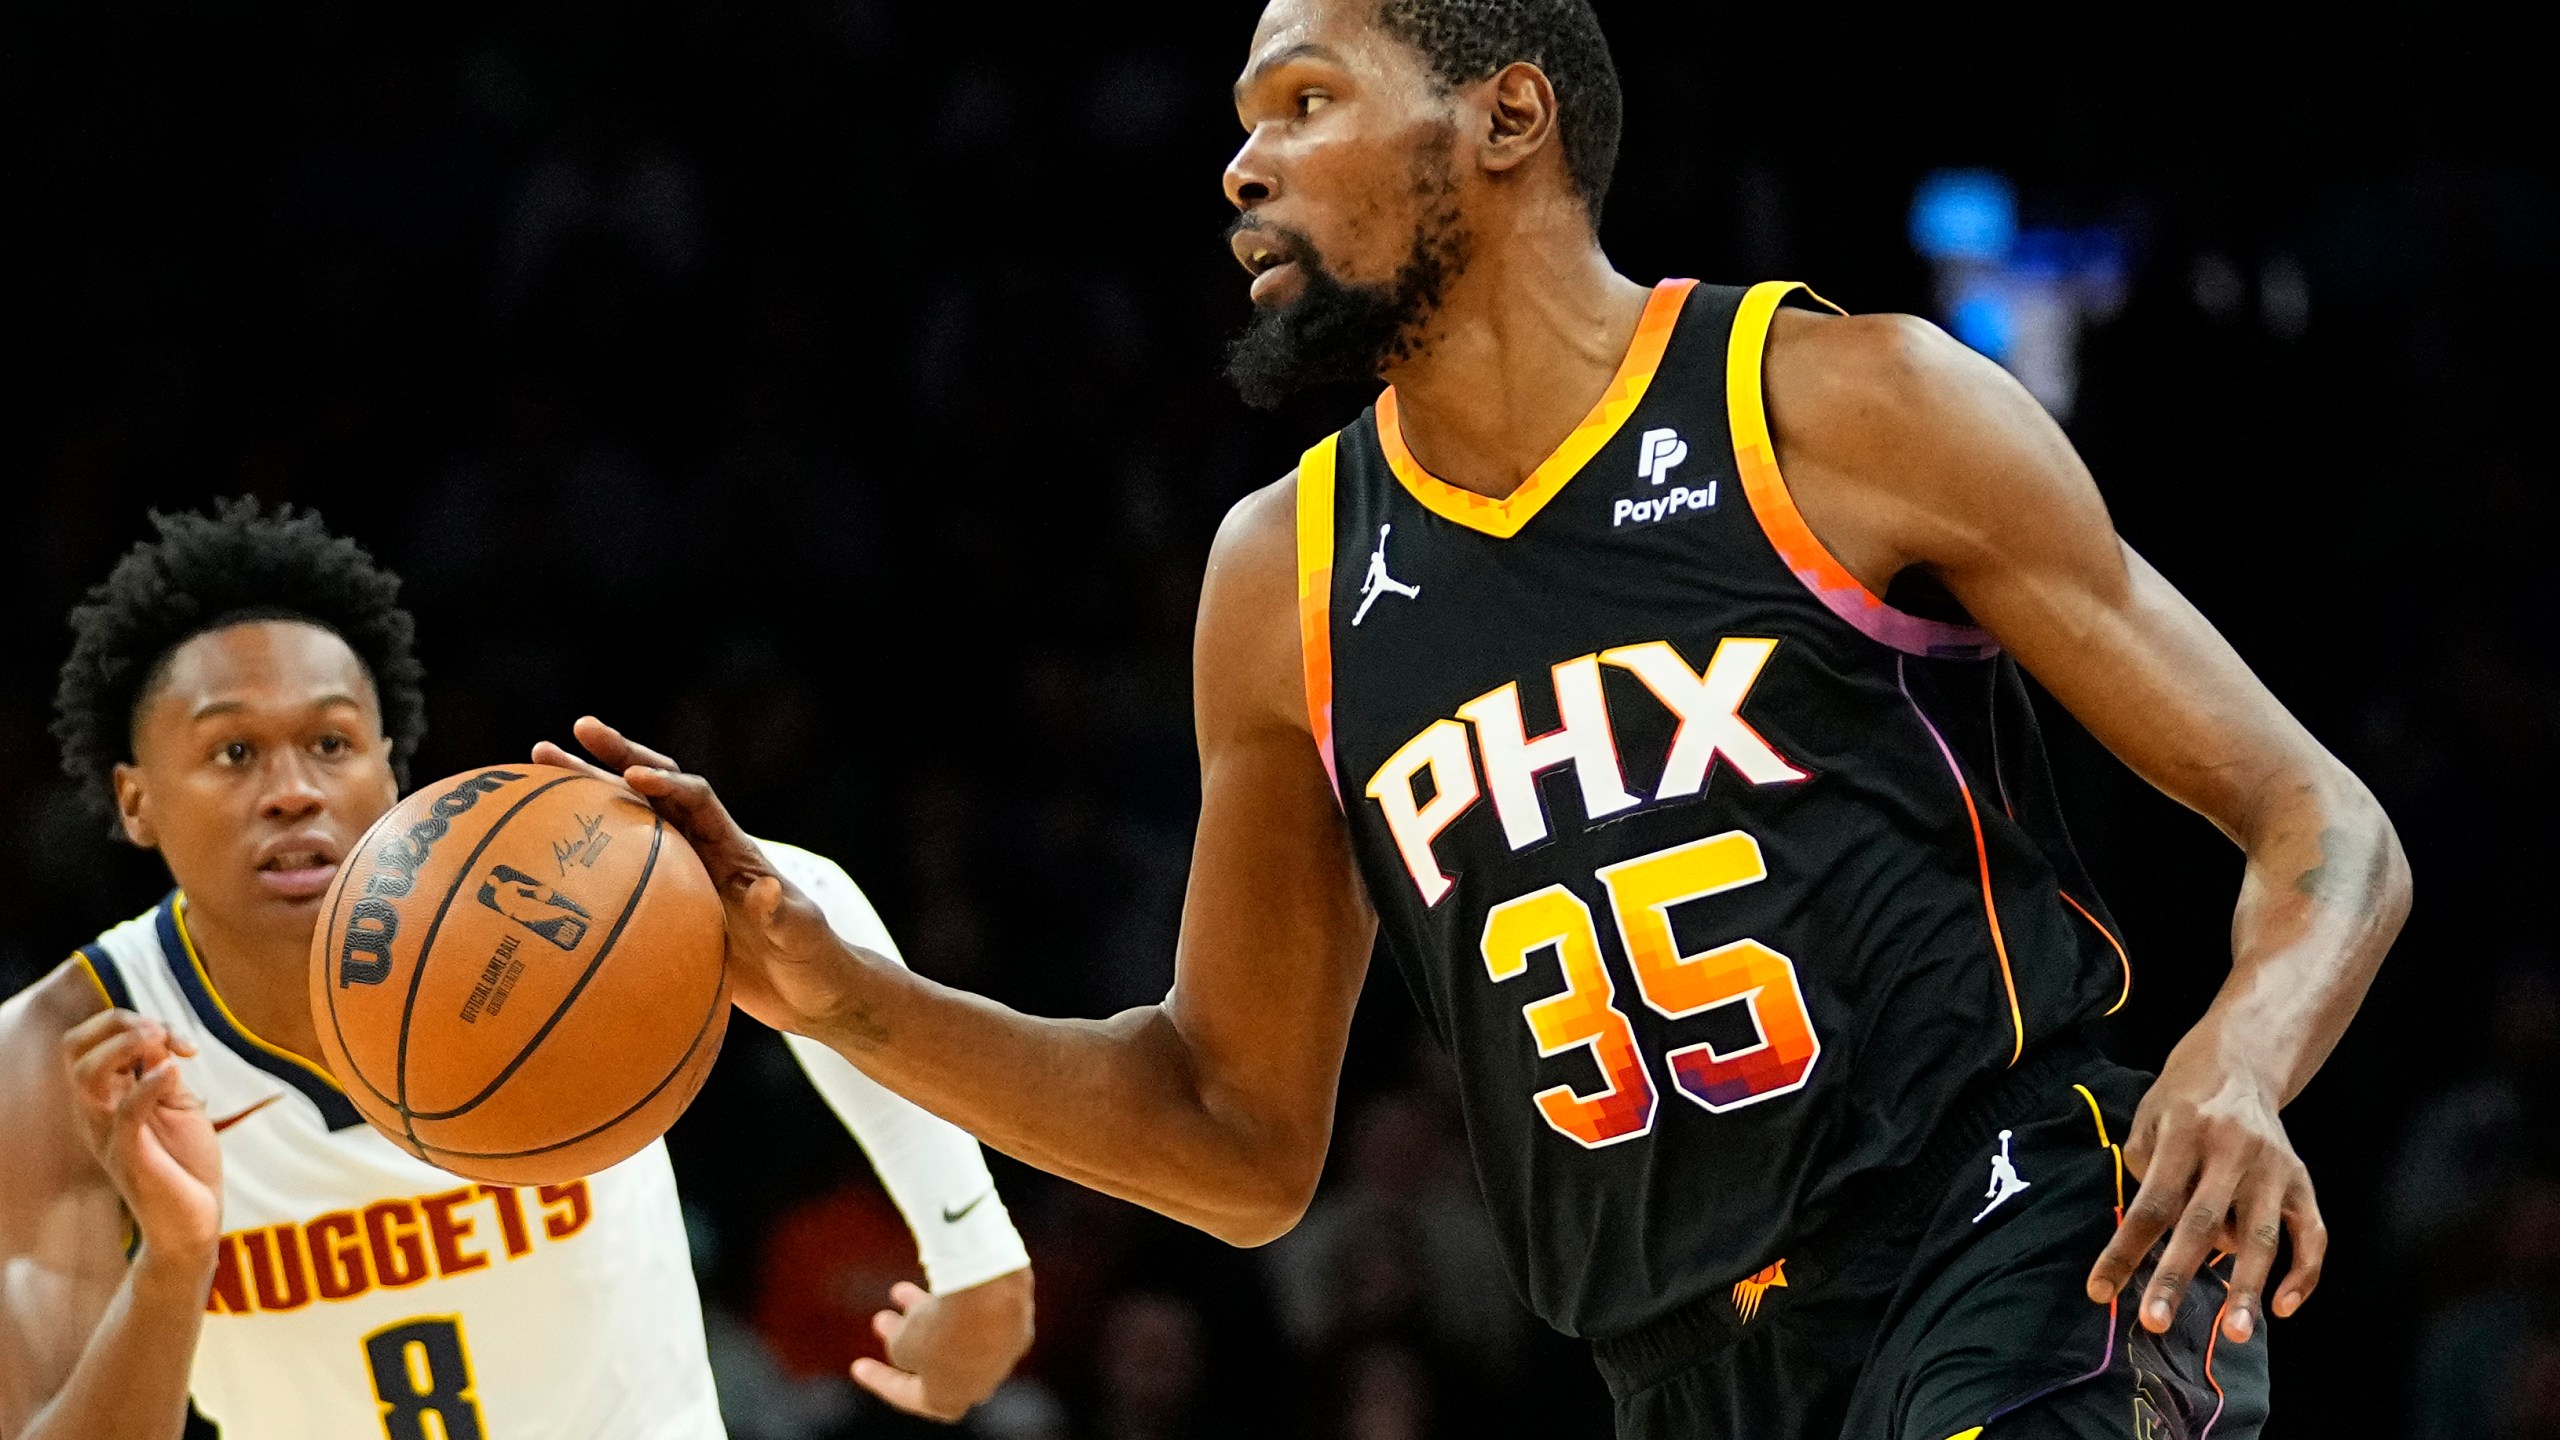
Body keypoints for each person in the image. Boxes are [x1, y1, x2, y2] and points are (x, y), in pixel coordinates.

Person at [545, 0, 2411, 1434]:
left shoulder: (1843, 408)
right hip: (1671, 1368)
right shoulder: (1280, 577)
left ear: (1506, 113)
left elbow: (2323, 825)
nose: (1241, 167)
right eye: (1239, 124)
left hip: (2013, 1235)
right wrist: (841, 1000)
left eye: (1306, 101)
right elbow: (1229, 1132)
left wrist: (2241, 1058)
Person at [0, 501, 1035, 1439]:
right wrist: (175, 1271)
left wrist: (971, 1246)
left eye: (331, 741)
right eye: (234, 754)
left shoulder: (543, 902)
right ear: (134, 799)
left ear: (390, 761)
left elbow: (798, 905)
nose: (293, 792)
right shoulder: (63, 1059)